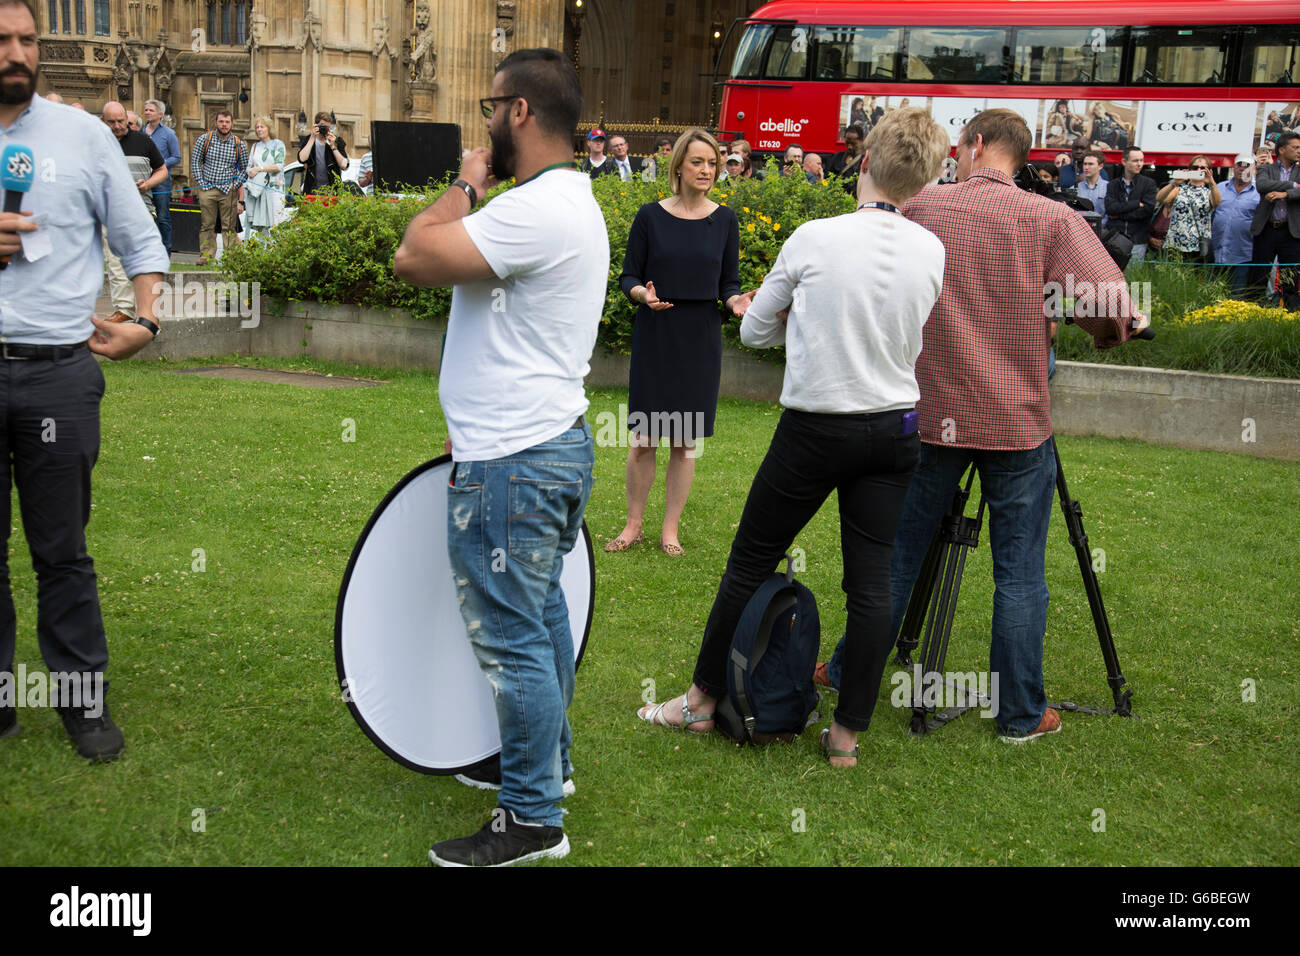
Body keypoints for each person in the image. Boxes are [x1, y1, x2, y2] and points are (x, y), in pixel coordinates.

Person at [817, 108, 1148, 743]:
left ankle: (844, 670)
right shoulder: (1053, 217)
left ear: (972, 145)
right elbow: (1114, 307)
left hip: (929, 413)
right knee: (1020, 572)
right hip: (1018, 422)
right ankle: (1021, 716)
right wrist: (1087, 323)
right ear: (1019, 157)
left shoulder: (925, 207)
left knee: (896, 558)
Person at [635, 108, 950, 766]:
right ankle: (846, 736)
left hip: (818, 424)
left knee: (750, 562)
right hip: (895, 427)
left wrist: (795, 323)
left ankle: (699, 699)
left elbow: (754, 330)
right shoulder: (931, 249)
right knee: (871, 584)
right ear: (924, 180)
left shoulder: (815, 238)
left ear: (862, 162)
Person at [393, 47, 607, 868]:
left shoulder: (532, 207)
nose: (483, 124)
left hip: (515, 461)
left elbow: (414, 255)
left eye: (490, 107)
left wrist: (467, 183)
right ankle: (547, 770)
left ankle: (531, 818)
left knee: (514, 634)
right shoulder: (567, 202)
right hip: (545, 443)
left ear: (519, 112)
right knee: (542, 613)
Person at [0, 0, 169, 761]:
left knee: (61, 549)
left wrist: (149, 319)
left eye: (26, 39)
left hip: (59, 375)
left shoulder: (83, 136)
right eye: (3, 40)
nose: (17, 52)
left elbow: (139, 237)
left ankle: (79, 701)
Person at [605, 128, 744, 557]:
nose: (707, 170)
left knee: (684, 442)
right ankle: (634, 525)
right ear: (679, 167)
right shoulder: (650, 215)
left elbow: (729, 282)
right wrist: (642, 295)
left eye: (713, 163)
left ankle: (670, 529)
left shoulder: (725, 220)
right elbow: (628, 274)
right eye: (698, 162)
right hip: (657, 333)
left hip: (699, 338)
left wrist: (735, 299)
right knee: (645, 437)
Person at [101, 101, 166, 322]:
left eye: (122, 121)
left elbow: (162, 170)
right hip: (109, 210)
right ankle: (123, 308)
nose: (118, 126)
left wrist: (148, 184)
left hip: (140, 209)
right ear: (103, 121)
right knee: (115, 262)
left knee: (144, 261)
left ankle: (147, 312)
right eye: (112, 122)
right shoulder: (97, 143)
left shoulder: (143, 141)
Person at [1250, 130, 1300, 308]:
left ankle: (1290, 316)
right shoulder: (1266, 168)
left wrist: (1285, 194)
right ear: (1282, 150)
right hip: (1267, 229)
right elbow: (1262, 185)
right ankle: (1253, 313)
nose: (1299, 151)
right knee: (1259, 276)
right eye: (1295, 147)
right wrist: (1293, 185)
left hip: (1291, 232)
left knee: (1291, 279)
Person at [190, 108, 247, 264]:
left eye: (227, 122)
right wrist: (201, 183)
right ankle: (206, 256)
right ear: (216, 123)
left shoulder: (238, 144)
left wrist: (235, 185)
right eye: (221, 121)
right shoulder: (204, 139)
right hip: (207, 188)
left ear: (232, 124)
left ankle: (230, 257)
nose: (224, 125)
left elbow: (244, 168)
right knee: (207, 224)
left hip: (228, 191)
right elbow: (195, 162)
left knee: (229, 226)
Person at [1156, 155, 1220, 262]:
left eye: (1203, 168)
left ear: (1209, 171)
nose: (1199, 170)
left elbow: (1217, 203)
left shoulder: (1209, 192)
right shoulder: (1178, 189)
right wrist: (1174, 183)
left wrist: (1212, 183)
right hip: (1175, 243)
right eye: (1195, 168)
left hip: (1198, 245)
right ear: (1190, 170)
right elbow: (1160, 198)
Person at [1213, 153, 1260, 295]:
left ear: (1254, 169)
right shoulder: (1220, 187)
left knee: (1236, 296)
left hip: (1244, 254)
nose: (1242, 169)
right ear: (1234, 167)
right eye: (1239, 165)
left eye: (1247, 166)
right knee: (1213, 296)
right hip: (1217, 253)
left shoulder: (1259, 191)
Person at [141, 99, 180, 254]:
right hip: (143, 179)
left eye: (150, 110)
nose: (147, 113)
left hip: (161, 181)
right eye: (146, 110)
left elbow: (176, 157)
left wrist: (159, 163)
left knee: (163, 217)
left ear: (160, 114)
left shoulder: (169, 134)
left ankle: (166, 251)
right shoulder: (141, 132)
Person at [1106, 146, 1157, 262]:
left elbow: (1147, 210)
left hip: (1138, 240)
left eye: (1141, 160)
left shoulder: (1149, 184)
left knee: (1134, 279)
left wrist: (1119, 215)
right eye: (1135, 161)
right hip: (1115, 239)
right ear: (1124, 162)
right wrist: (1135, 204)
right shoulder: (1113, 184)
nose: (1139, 164)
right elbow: (1110, 209)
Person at [244, 115, 285, 236]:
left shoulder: (278, 144)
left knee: (275, 222)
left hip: (274, 189)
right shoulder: (255, 146)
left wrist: (259, 169)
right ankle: (263, 252)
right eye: (257, 127)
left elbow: (279, 166)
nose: (259, 129)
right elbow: (249, 166)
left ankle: (275, 251)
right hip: (258, 190)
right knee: (261, 224)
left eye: (262, 126)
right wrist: (251, 171)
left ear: (269, 128)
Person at [297, 110, 349, 196]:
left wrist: (333, 146)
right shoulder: (308, 140)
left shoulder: (337, 141)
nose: (324, 129)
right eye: (322, 126)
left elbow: (344, 165)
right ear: (316, 125)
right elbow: (302, 159)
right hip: (312, 192)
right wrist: (312, 137)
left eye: (327, 127)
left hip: (332, 192)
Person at [1074, 150, 1109, 222]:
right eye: (1085, 164)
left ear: (1100, 166)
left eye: (1090, 164)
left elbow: (1109, 214)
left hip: (1102, 230)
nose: (1086, 167)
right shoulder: (1075, 188)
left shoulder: (1108, 187)